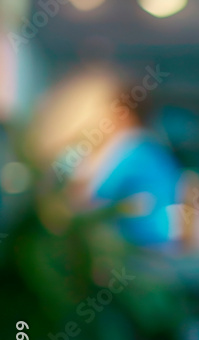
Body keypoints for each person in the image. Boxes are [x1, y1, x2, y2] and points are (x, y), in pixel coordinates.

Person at [29, 67, 181, 248]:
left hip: (136, 250)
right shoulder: (118, 150)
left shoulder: (139, 152)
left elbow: (88, 202)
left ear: (122, 113)